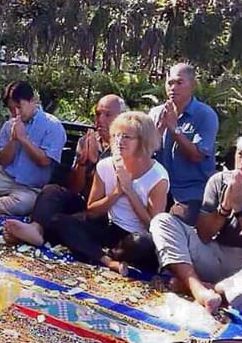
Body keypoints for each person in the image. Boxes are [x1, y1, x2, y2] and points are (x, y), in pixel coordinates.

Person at [150, 129, 242, 313]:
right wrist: (224, 209)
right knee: (162, 221)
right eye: (240, 153)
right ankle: (197, 287)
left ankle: (217, 290)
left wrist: (241, 211)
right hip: (212, 254)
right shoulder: (219, 180)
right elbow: (203, 235)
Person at [39, 112, 169, 274]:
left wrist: (129, 191)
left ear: (143, 141)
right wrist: (116, 192)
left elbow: (153, 226)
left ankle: (98, 252)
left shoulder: (158, 176)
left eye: (127, 137)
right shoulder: (106, 165)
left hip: (135, 237)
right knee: (60, 221)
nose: (119, 141)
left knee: (142, 243)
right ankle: (107, 260)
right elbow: (92, 211)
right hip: (109, 228)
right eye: (116, 136)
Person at [3, 94, 126, 245]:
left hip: (108, 210)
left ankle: (32, 234)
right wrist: (83, 163)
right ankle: (35, 229)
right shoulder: (86, 141)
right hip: (83, 203)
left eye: (107, 115)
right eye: (98, 114)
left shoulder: (125, 146)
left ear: (121, 118)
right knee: (51, 191)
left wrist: (96, 164)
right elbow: (75, 188)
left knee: (61, 223)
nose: (100, 119)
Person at [149, 63, 219, 225]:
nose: (173, 88)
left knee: (172, 225)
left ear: (192, 85)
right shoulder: (156, 113)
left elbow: (197, 155)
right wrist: (158, 131)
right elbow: (145, 153)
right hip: (158, 187)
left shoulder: (205, 115)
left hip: (190, 192)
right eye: (170, 83)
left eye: (179, 82)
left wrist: (175, 130)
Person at [0, 81, 67, 216]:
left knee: (22, 205)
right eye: (12, 109)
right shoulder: (9, 125)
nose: (16, 113)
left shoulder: (53, 126)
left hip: (31, 187)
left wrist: (23, 139)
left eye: (19, 107)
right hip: (4, 177)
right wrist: (13, 140)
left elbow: (45, 161)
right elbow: (2, 160)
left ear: (32, 100)